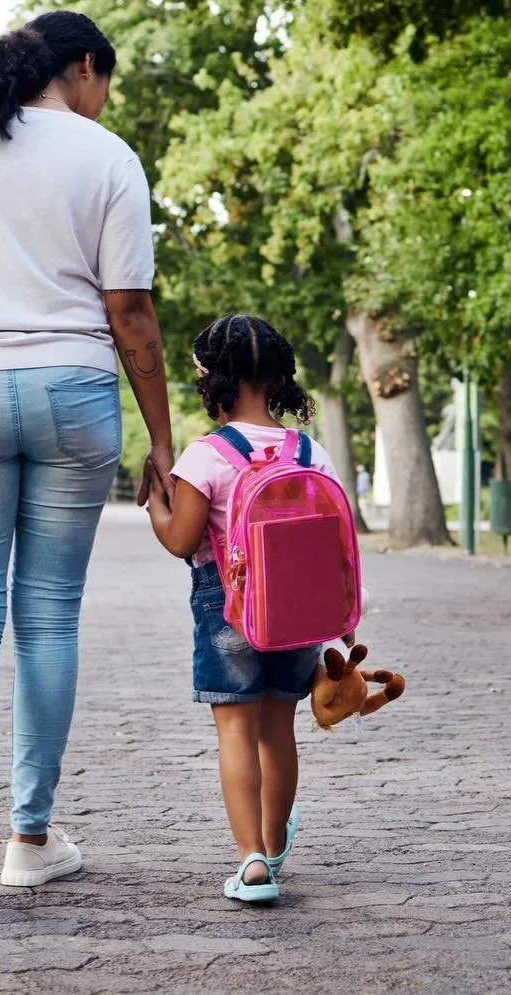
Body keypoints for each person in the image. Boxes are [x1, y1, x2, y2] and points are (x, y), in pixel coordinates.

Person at [0, 11, 173, 905]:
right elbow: (129, 311)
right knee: (49, 619)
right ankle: (30, 835)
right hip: (73, 394)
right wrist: (163, 439)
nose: (104, 102)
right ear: (85, 68)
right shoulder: (108, 158)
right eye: (106, 84)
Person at [145, 315, 339, 903]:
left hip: (226, 606)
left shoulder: (207, 455)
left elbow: (182, 540)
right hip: (295, 612)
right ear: (281, 377)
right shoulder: (310, 451)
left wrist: (156, 503)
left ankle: (250, 861)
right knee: (279, 732)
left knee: (235, 733)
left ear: (212, 381)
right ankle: (276, 848)